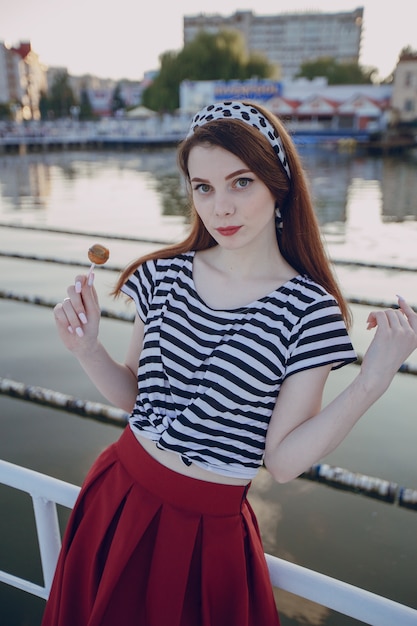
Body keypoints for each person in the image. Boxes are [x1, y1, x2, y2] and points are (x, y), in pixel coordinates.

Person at [44, 101, 417, 626]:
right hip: (118, 494)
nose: (220, 208)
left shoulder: (309, 311)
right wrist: (86, 349)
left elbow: (283, 462)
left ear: (277, 183)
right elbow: (134, 395)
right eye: (204, 187)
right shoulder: (163, 275)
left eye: (240, 183)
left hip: (206, 528)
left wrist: (372, 381)